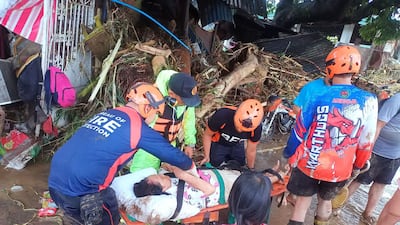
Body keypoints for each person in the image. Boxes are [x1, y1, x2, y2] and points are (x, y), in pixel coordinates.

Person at [48, 83, 196, 225]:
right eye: (156, 113)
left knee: (77, 218)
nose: (154, 118)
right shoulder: (137, 127)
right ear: (147, 108)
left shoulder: (109, 113)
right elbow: (171, 154)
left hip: (55, 182)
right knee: (109, 207)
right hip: (84, 191)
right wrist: (191, 166)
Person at [283, 45, 378, 225]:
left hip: (308, 163)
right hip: (340, 169)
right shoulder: (369, 100)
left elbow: (299, 130)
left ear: (330, 69)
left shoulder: (318, 95)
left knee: (302, 203)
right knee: (325, 202)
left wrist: (289, 154)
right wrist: (357, 166)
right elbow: (367, 142)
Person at [112, 161, 287, 224]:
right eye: (155, 177)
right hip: (221, 189)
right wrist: (182, 175)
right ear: (158, 187)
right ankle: (276, 177)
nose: (156, 174)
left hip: (217, 176)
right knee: (250, 184)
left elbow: (166, 166)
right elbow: (208, 189)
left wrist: (171, 167)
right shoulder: (180, 198)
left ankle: (269, 174)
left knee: (244, 175)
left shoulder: (166, 178)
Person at [346, 92, 400, 225]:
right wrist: (367, 149)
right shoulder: (397, 100)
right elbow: (378, 125)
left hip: (395, 154)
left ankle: (368, 213)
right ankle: (338, 205)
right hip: (377, 149)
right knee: (359, 179)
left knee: (381, 183)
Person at [130, 70, 200, 172]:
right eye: (184, 102)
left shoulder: (186, 99)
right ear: (172, 95)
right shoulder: (151, 99)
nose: (186, 104)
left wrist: (190, 143)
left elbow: (189, 120)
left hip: (170, 145)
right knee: (141, 175)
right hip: (148, 148)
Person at [199, 99, 264, 170]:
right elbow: (207, 135)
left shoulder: (256, 128)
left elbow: (251, 150)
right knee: (214, 165)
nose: (240, 130)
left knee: (240, 166)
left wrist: (251, 169)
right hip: (219, 142)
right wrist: (206, 156)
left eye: (244, 129)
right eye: (238, 126)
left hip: (237, 144)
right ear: (236, 113)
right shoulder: (222, 115)